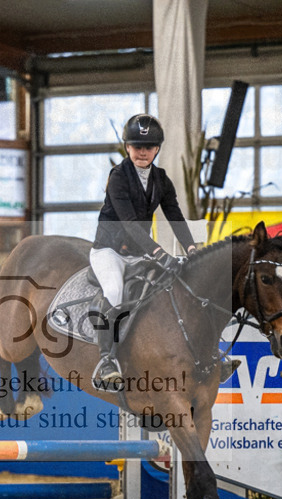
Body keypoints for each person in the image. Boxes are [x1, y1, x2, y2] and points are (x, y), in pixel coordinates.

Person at [89, 113, 198, 390]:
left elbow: (175, 216)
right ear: (127, 147)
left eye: (148, 147)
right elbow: (128, 224)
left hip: (139, 253)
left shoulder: (161, 179)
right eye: (137, 146)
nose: (142, 152)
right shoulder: (118, 177)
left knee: (170, 289)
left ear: (157, 149)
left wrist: (192, 247)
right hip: (109, 252)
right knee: (114, 291)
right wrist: (160, 252)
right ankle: (106, 360)